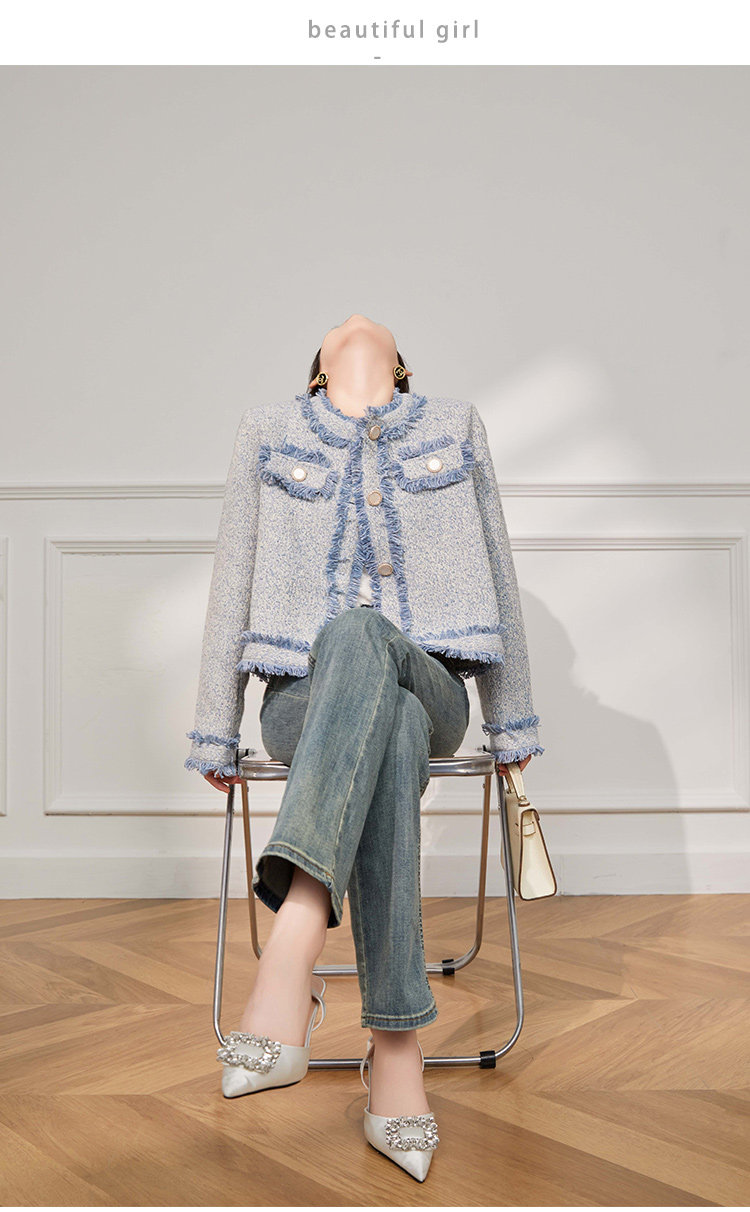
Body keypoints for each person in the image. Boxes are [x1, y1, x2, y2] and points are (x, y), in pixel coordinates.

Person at [184, 314, 544, 1181]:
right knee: (389, 719)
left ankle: (292, 949)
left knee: (364, 635)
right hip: (302, 704)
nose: (354, 322)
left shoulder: (453, 425)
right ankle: (397, 1053)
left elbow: (497, 565)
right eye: (336, 329)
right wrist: (216, 725)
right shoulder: (269, 430)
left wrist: (512, 719)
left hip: (433, 680)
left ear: (403, 368)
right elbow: (233, 572)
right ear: (315, 371)